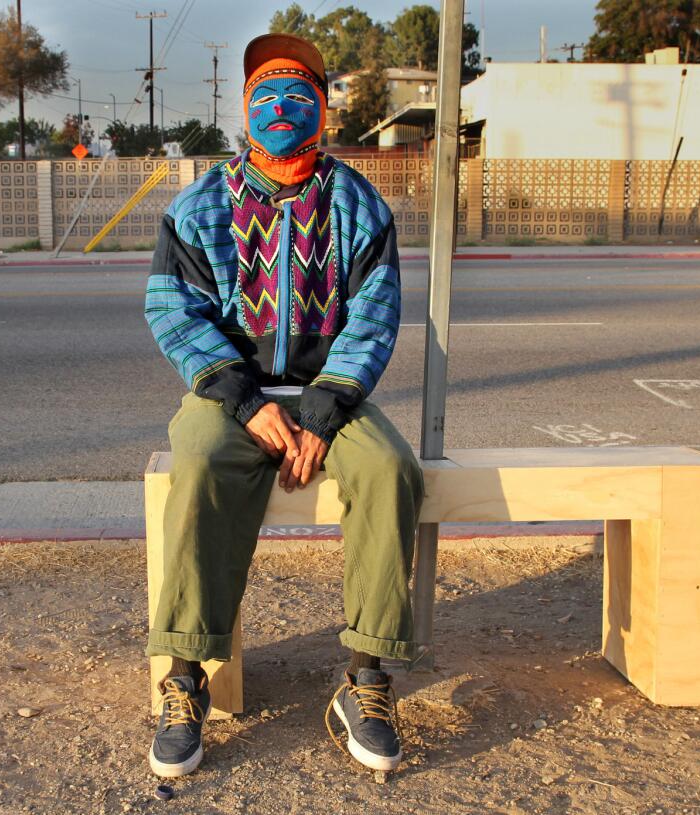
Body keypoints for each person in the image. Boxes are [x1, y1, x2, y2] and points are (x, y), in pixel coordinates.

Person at [143, 32, 424, 778]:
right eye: (264, 95)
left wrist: (325, 408)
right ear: (244, 109)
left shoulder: (358, 203)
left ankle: (366, 677)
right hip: (232, 394)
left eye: (298, 94)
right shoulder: (201, 204)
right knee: (198, 467)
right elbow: (173, 309)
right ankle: (184, 678)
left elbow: (375, 312)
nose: (280, 108)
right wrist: (241, 398)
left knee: (392, 469)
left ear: (323, 110)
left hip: (329, 389)